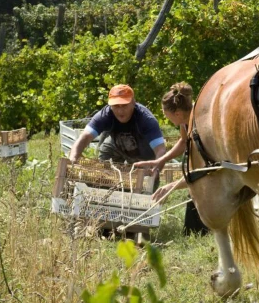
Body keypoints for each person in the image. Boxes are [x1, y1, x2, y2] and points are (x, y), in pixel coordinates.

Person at [133, 83, 207, 234]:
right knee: (192, 225)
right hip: (200, 176)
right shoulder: (185, 120)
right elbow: (183, 141)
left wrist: (170, 186)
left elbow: (202, 172)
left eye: (165, 113)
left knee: (197, 196)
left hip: (213, 177)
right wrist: (161, 160)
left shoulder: (201, 125)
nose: (165, 117)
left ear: (178, 113)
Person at [68, 84, 167, 164]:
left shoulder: (146, 119)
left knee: (145, 186)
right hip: (117, 147)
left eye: (124, 105)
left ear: (133, 102)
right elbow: (85, 137)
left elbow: (160, 150)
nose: (120, 111)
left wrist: (156, 169)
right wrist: (73, 157)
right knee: (104, 162)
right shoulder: (105, 115)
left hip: (145, 157)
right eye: (116, 106)